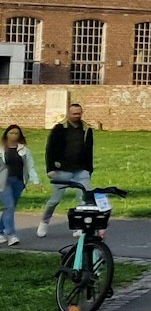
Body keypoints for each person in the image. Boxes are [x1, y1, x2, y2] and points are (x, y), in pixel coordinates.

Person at [38, 102, 94, 238]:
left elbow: (89, 151)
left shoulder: (87, 129)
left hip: (81, 170)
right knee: (55, 200)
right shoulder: (59, 128)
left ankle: (81, 227)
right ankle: (44, 222)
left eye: (79, 113)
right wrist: (50, 169)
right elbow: (50, 149)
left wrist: (89, 170)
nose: (77, 116)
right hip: (62, 170)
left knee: (84, 198)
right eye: (74, 113)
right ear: (68, 114)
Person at [2, 124, 37, 245]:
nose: (14, 136)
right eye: (11, 133)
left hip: (18, 181)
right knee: (9, 206)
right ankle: (11, 235)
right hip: (3, 182)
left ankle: (1, 232)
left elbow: (30, 166)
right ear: (6, 134)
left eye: (16, 133)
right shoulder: (1, 149)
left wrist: (35, 181)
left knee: (9, 208)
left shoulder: (24, 150)